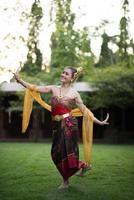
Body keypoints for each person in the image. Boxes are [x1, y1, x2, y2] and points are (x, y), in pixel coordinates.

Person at [13, 66, 109, 189]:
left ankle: (65, 181)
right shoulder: (53, 88)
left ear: (72, 78)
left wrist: (98, 121)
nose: (63, 75)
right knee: (55, 153)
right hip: (57, 125)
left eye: (66, 74)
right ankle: (83, 166)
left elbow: (84, 111)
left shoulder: (74, 93)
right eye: (63, 72)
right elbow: (34, 88)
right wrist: (20, 80)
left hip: (69, 125)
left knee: (67, 153)